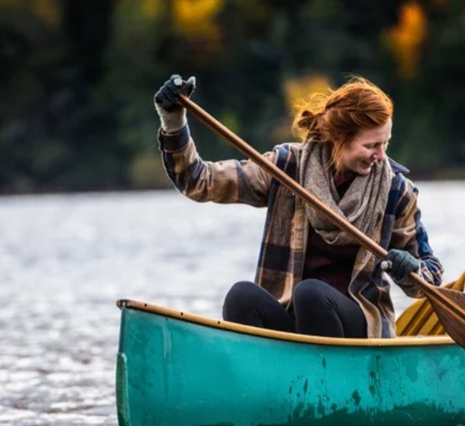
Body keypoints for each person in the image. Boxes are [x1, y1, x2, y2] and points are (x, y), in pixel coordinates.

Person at [154, 75, 443, 338]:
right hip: (293, 318)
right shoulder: (287, 166)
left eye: (386, 144)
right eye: (371, 146)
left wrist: (412, 270)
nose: (381, 156)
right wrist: (173, 122)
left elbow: (431, 275)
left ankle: (329, 386)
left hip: (360, 330)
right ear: (338, 139)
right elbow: (198, 181)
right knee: (241, 296)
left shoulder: (396, 190)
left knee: (312, 294)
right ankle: (268, 383)